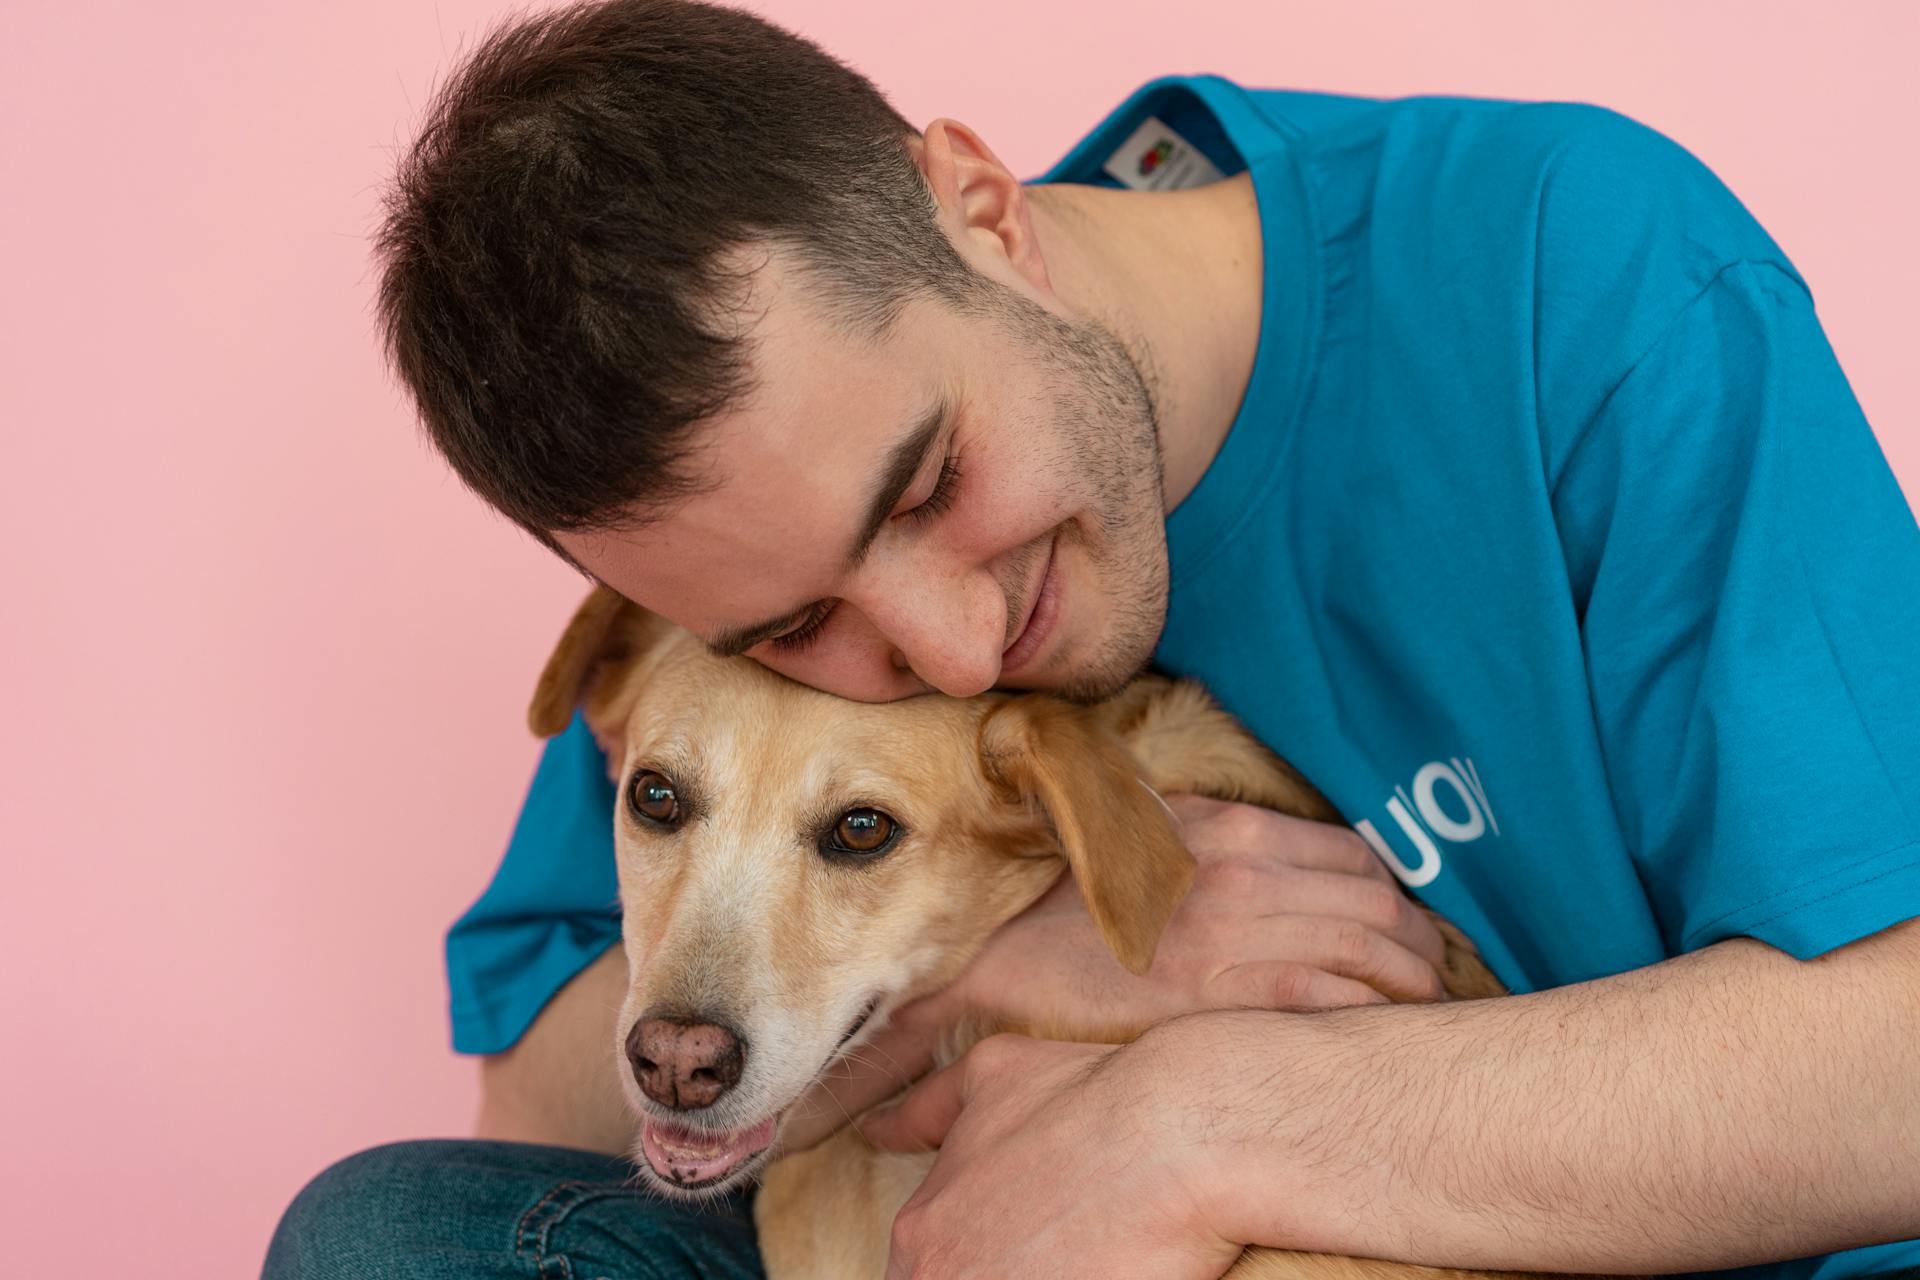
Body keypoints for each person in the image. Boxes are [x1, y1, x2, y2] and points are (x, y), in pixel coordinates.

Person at [265, 0, 1920, 1276]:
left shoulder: (1580, 271)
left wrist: (1198, 1119)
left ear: (982, 208)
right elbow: (548, 1114)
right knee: (395, 1236)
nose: (955, 649)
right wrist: (986, 977)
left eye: (930, 485)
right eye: (795, 628)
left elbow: (1893, 1066)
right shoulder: (723, 523)